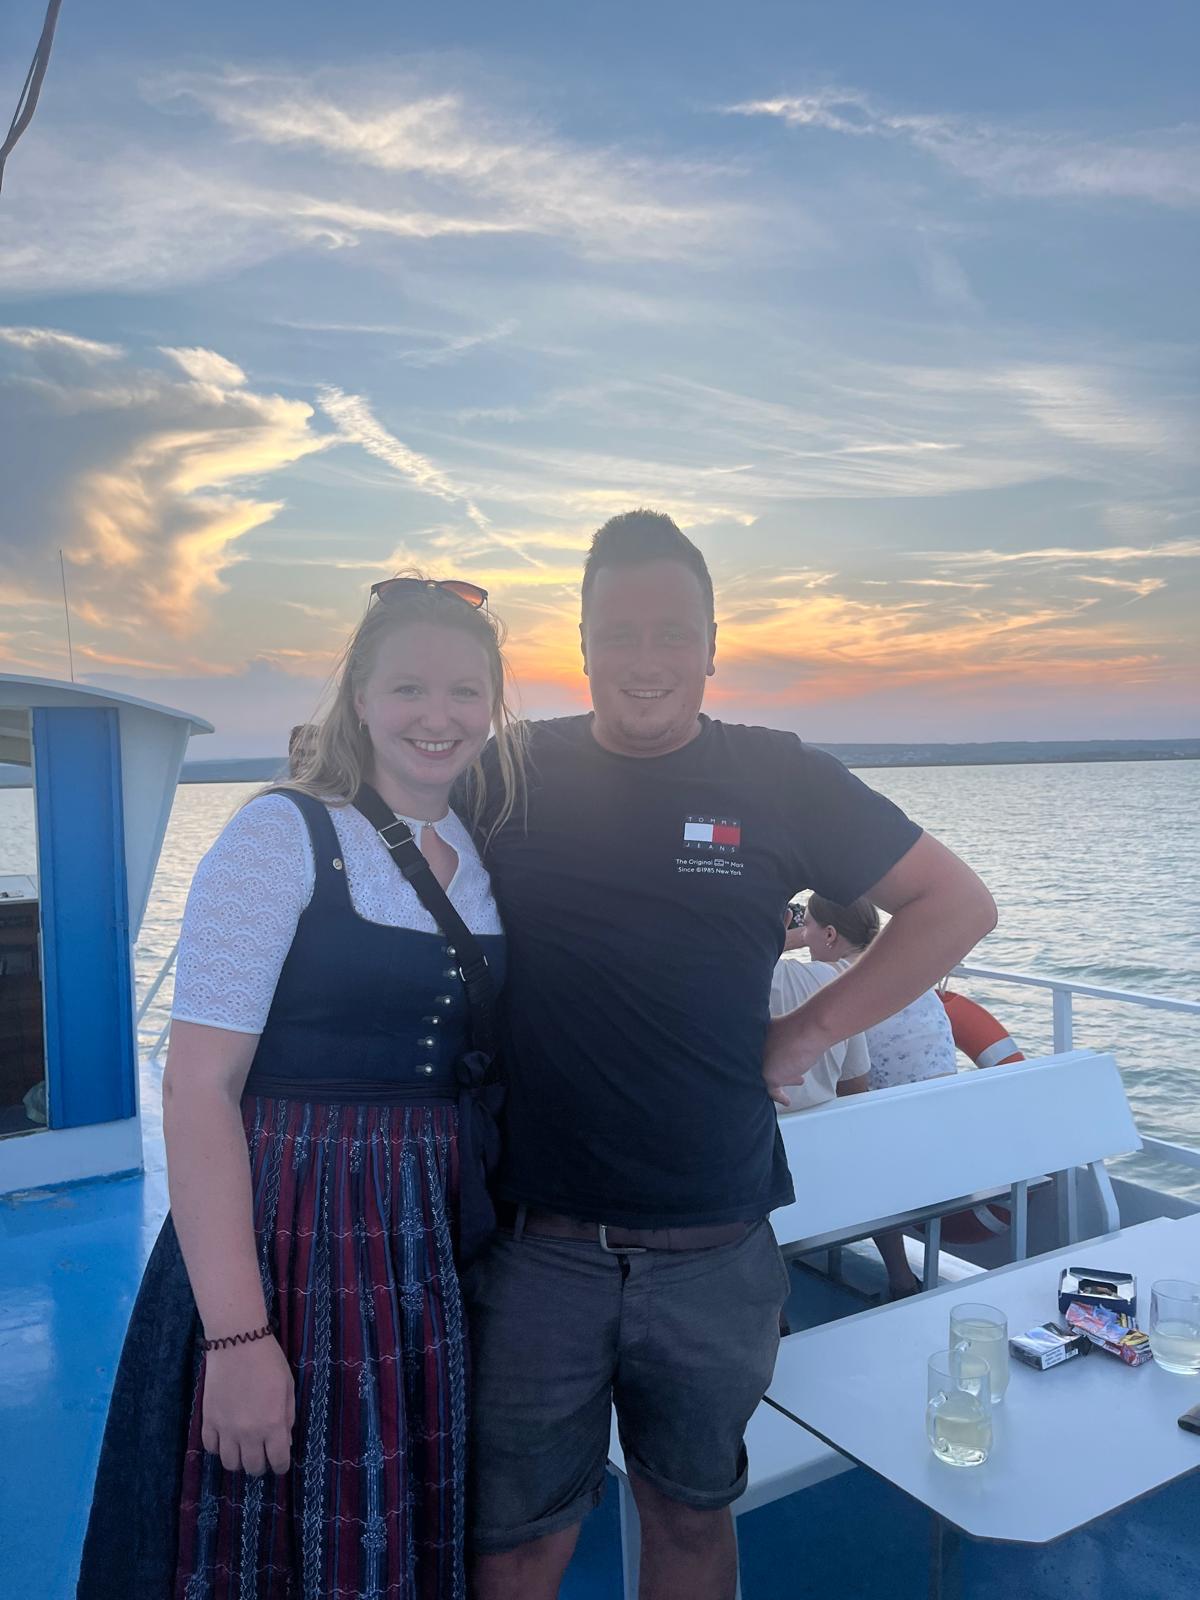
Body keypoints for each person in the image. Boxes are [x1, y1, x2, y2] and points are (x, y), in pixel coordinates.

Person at [464, 509, 997, 1600]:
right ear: (581, 644)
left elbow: (955, 904)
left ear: (713, 644)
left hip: (712, 1248)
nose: (646, 659)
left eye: (673, 632)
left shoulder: (779, 777)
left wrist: (806, 1031)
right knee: (515, 1544)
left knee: (691, 1518)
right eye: (619, 633)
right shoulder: (507, 769)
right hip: (537, 1250)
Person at [77, 576, 522, 1600]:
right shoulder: (284, 836)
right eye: (408, 687)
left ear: (494, 706)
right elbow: (199, 1087)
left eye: (465, 691)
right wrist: (237, 1338)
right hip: (297, 1231)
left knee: (399, 1504)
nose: (439, 715)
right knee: (272, 1520)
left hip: (425, 1240)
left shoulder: (482, 853)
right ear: (359, 696)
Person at [796, 891, 958, 1297]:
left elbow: (846, 1091)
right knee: (869, 1128)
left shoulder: (834, 985)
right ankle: (900, 1279)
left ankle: (775, 1299)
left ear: (829, 935)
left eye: (807, 927)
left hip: (892, 1152)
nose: (803, 937)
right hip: (948, 1142)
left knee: (802, 1137)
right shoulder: (911, 975)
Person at [769, 904, 869, 1109]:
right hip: (823, 1121)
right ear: (786, 921)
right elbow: (855, 1085)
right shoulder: (835, 979)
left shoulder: (707, 984)